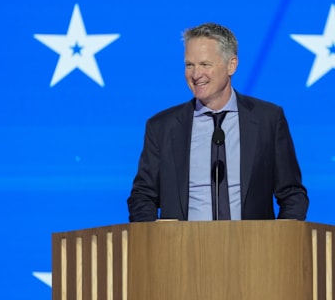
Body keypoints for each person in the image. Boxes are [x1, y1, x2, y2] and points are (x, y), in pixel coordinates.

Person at [127, 22, 309, 222]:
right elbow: (142, 195)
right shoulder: (162, 127)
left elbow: (292, 193)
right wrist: (154, 240)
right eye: (190, 65)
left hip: (254, 248)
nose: (196, 75)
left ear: (231, 65)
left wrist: (281, 241)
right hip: (181, 250)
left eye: (205, 64)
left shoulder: (268, 119)